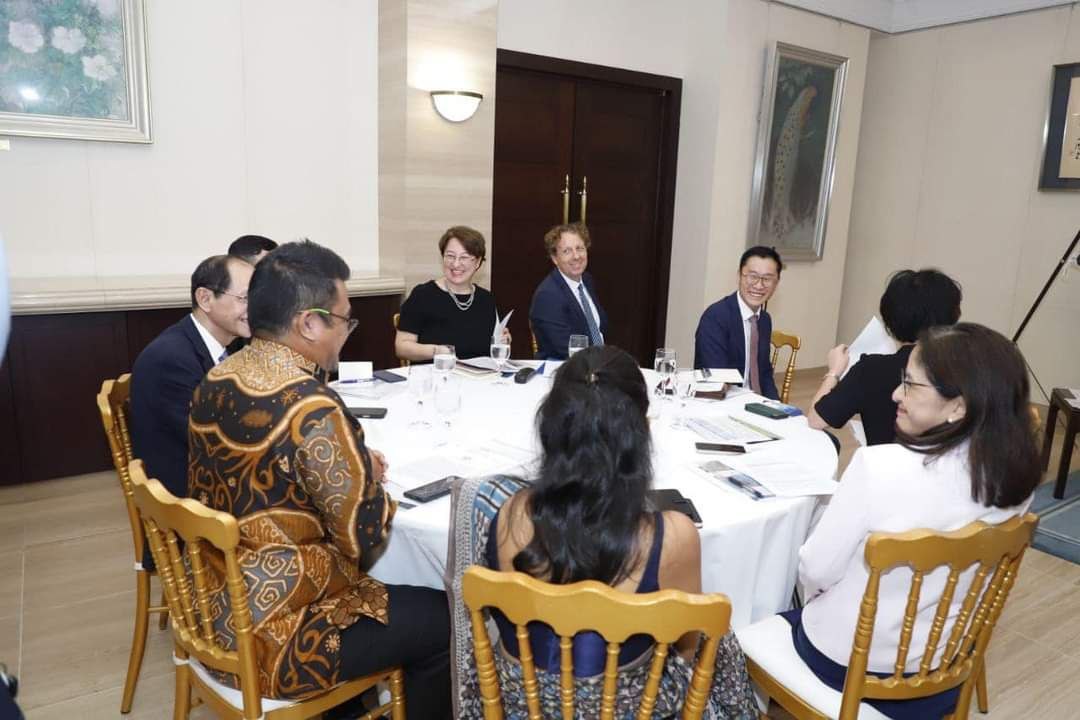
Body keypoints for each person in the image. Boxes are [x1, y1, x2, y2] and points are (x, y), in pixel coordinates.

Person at [187, 240, 450, 718]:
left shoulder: (218, 377)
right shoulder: (312, 406)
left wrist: (348, 466)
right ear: (308, 323)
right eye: (345, 320)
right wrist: (366, 476)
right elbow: (362, 536)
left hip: (210, 606)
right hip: (281, 636)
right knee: (445, 618)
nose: (347, 332)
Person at [474, 346, 757, 717]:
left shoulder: (511, 513)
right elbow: (687, 650)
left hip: (522, 708)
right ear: (640, 433)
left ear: (552, 426)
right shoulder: (672, 537)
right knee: (719, 637)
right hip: (632, 710)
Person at [783, 323, 1039, 719]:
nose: (895, 395)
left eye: (910, 385)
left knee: (766, 613)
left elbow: (815, 571)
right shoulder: (1017, 482)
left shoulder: (879, 467)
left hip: (850, 664)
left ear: (958, 406)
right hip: (946, 662)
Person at [130, 254, 253, 499]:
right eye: (245, 298)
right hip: (188, 496)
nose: (256, 309)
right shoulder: (171, 359)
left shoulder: (217, 346)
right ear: (205, 298)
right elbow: (214, 442)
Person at [807, 269, 962, 446]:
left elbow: (816, 420)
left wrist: (834, 372)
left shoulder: (871, 369)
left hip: (884, 463)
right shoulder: (966, 368)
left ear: (889, 317)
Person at [395, 226, 509, 362]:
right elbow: (401, 347)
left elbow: (493, 348)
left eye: (464, 257)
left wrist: (503, 340)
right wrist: (437, 351)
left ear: (478, 262)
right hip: (437, 372)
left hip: (480, 374)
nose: (456, 264)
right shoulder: (422, 295)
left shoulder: (486, 299)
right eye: (450, 256)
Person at [694, 246, 782, 399]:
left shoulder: (764, 320)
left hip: (756, 402)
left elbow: (764, 374)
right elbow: (716, 379)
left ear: (776, 283)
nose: (759, 285)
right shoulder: (716, 317)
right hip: (725, 401)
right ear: (739, 276)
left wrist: (777, 406)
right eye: (752, 276)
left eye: (767, 279)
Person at [529, 222, 609, 360]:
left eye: (579, 248)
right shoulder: (547, 296)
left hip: (595, 363)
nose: (576, 256)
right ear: (555, 258)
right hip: (564, 369)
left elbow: (598, 331)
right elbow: (565, 349)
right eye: (567, 251)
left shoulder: (587, 281)